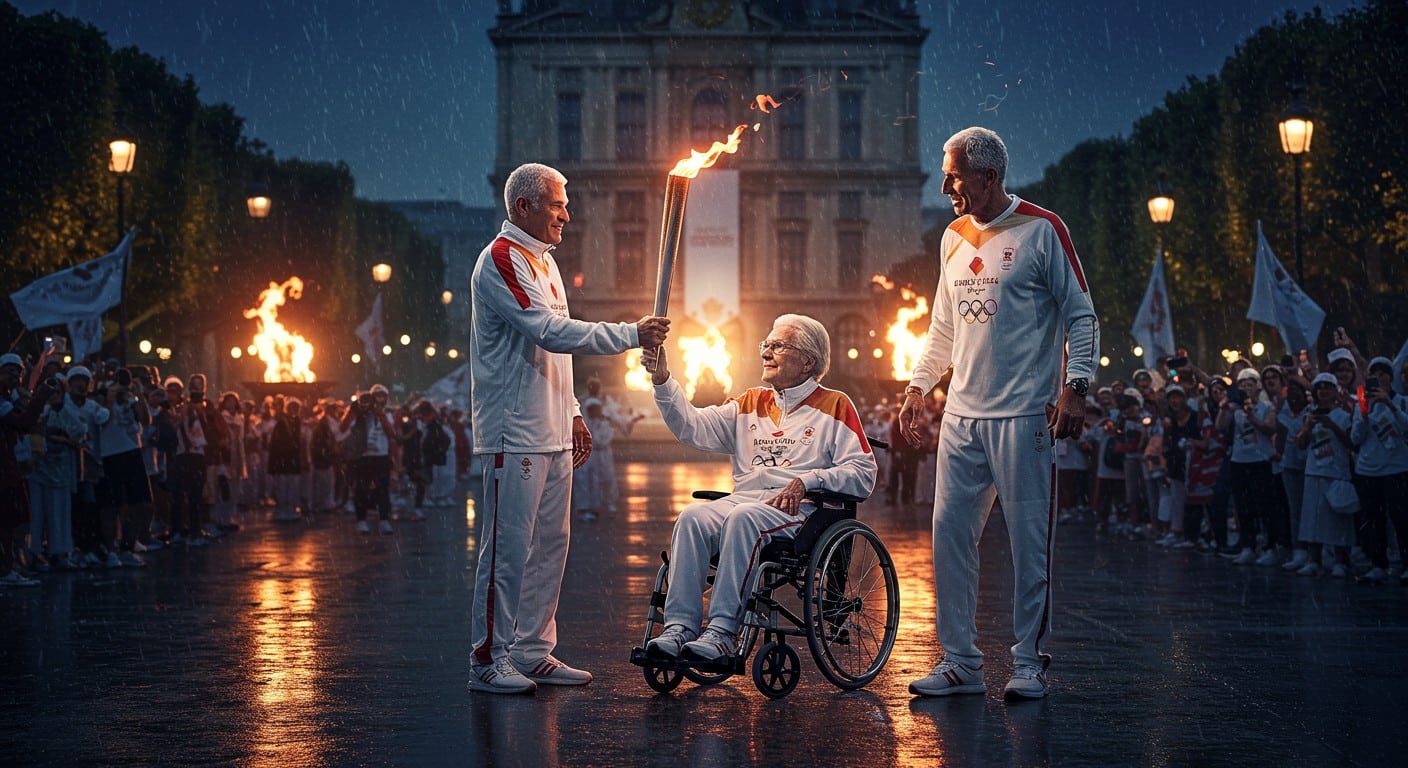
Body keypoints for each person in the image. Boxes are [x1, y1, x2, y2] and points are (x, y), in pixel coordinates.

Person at [898, 127, 1098, 701]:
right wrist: (918, 386)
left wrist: (1075, 385)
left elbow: (1082, 315)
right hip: (961, 418)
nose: (945, 185)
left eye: (955, 175)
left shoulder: (1044, 229)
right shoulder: (952, 236)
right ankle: (960, 661)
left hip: (1023, 417)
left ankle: (1029, 662)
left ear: (989, 177)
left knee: (1028, 543)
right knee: (948, 537)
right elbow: (942, 326)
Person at [467, 162, 670, 694]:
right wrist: (630, 333)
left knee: (551, 547)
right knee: (508, 550)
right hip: (514, 433)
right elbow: (550, 332)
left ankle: (533, 651)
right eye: (558, 204)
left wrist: (574, 411)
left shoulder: (546, 263)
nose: (567, 214)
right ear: (524, 208)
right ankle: (488, 659)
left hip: (553, 428)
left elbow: (551, 354)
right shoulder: (503, 259)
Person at [640, 314, 877, 662]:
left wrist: (808, 480)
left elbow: (863, 472)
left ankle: (721, 633)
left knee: (743, 519)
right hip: (745, 501)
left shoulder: (835, 405)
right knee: (692, 517)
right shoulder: (750, 402)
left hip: (801, 512)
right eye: (765, 344)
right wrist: (663, 381)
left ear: (808, 361)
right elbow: (691, 427)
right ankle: (679, 629)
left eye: (778, 346)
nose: (766, 352)